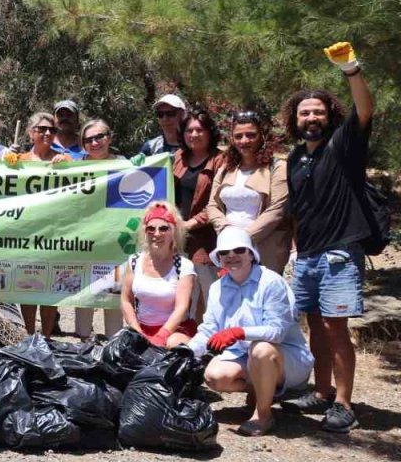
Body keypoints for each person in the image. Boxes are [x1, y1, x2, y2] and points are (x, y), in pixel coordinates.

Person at [276, 42, 374, 432]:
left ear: (329, 115)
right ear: (295, 119)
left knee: (336, 329)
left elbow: (365, 110)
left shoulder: (344, 144)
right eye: (304, 112)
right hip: (309, 255)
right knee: (314, 326)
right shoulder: (297, 157)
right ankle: (321, 392)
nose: (311, 117)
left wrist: (351, 70)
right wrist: (298, 249)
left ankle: (345, 404)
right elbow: (298, 208)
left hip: (339, 254)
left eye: (317, 111)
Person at [184, 226, 314, 437]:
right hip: (246, 355)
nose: (232, 256)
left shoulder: (271, 282)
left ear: (251, 254)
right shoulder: (218, 288)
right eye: (225, 252)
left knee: (261, 349)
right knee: (215, 376)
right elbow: (208, 330)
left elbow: (277, 332)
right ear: (218, 258)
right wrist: (185, 351)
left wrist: (239, 332)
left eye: (239, 250)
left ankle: (263, 415)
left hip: (286, 357)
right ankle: (261, 392)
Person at [206, 111, 293, 275]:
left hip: (265, 251)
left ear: (262, 136)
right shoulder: (226, 169)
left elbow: (277, 210)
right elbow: (212, 205)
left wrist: (243, 238)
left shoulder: (277, 167)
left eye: (250, 135)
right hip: (229, 249)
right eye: (238, 136)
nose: (244, 141)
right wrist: (226, 231)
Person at [72, 119, 124, 338]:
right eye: (89, 139)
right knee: (84, 296)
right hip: (84, 241)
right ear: (83, 144)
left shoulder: (126, 164)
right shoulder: (75, 167)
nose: (95, 142)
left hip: (114, 243)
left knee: (113, 297)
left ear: (110, 137)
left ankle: (115, 348)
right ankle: (83, 343)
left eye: (99, 136)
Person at [120, 202, 198, 347]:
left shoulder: (183, 266)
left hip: (175, 330)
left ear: (173, 232)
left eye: (163, 228)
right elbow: (126, 300)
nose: (156, 234)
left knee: (173, 344)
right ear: (145, 232)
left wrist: (162, 335)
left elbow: (182, 308)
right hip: (141, 328)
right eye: (151, 228)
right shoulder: (135, 261)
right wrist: (137, 332)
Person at [174, 107, 226, 313]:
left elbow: (219, 199)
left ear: (210, 132)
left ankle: (213, 340)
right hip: (178, 237)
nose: (194, 135)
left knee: (210, 292)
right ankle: (186, 339)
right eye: (189, 130)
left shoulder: (221, 160)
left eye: (200, 130)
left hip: (206, 238)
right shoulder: (177, 157)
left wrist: (191, 223)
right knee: (184, 292)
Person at [19, 111, 59, 335]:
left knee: (51, 287)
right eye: (41, 129)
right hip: (27, 233)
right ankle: (29, 334)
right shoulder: (19, 161)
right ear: (30, 133)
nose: (47, 133)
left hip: (54, 233)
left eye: (51, 130)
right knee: (28, 284)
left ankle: (47, 336)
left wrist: (67, 164)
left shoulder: (63, 161)